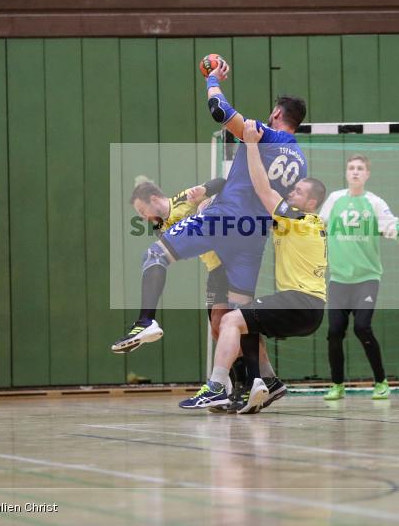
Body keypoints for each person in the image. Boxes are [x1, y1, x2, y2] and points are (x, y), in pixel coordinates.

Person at [110, 57, 307, 404]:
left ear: (277, 114)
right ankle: (257, 382)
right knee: (240, 316)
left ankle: (146, 321)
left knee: (155, 253)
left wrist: (212, 78)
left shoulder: (265, 133)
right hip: (254, 235)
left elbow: (219, 109)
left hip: (226, 219)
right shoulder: (301, 160)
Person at [179, 119, 327, 414]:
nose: (290, 192)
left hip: (300, 302)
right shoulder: (304, 223)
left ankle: (217, 386)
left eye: (297, 191)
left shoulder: (296, 218)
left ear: (310, 202)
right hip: (308, 306)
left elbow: (262, 189)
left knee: (231, 321)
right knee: (245, 320)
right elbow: (253, 216)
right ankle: (267, 382)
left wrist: (250, 145)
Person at [319, 154, 399, 400]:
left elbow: (398, 232)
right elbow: (318, 229)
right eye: (351, 168)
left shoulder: (374, 203)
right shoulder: (334, 199)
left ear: (367, 175)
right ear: (346, 173)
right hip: (339, 280)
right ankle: (337, 385)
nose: (355, 172)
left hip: (367, 279)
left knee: (362, 328)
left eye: (360, 168)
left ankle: (380, 381)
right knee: (334, 332)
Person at [123, 178, 230, 353]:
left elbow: (222, 181)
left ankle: (254, 376)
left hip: (229, 263)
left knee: (232, 323)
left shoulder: (184, 198)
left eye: (142, 211)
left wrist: (205, 189)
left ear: (154, 199)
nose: (142, 217)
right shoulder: (159, 228)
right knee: (218, 329)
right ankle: (236, 376)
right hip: (214, 270)